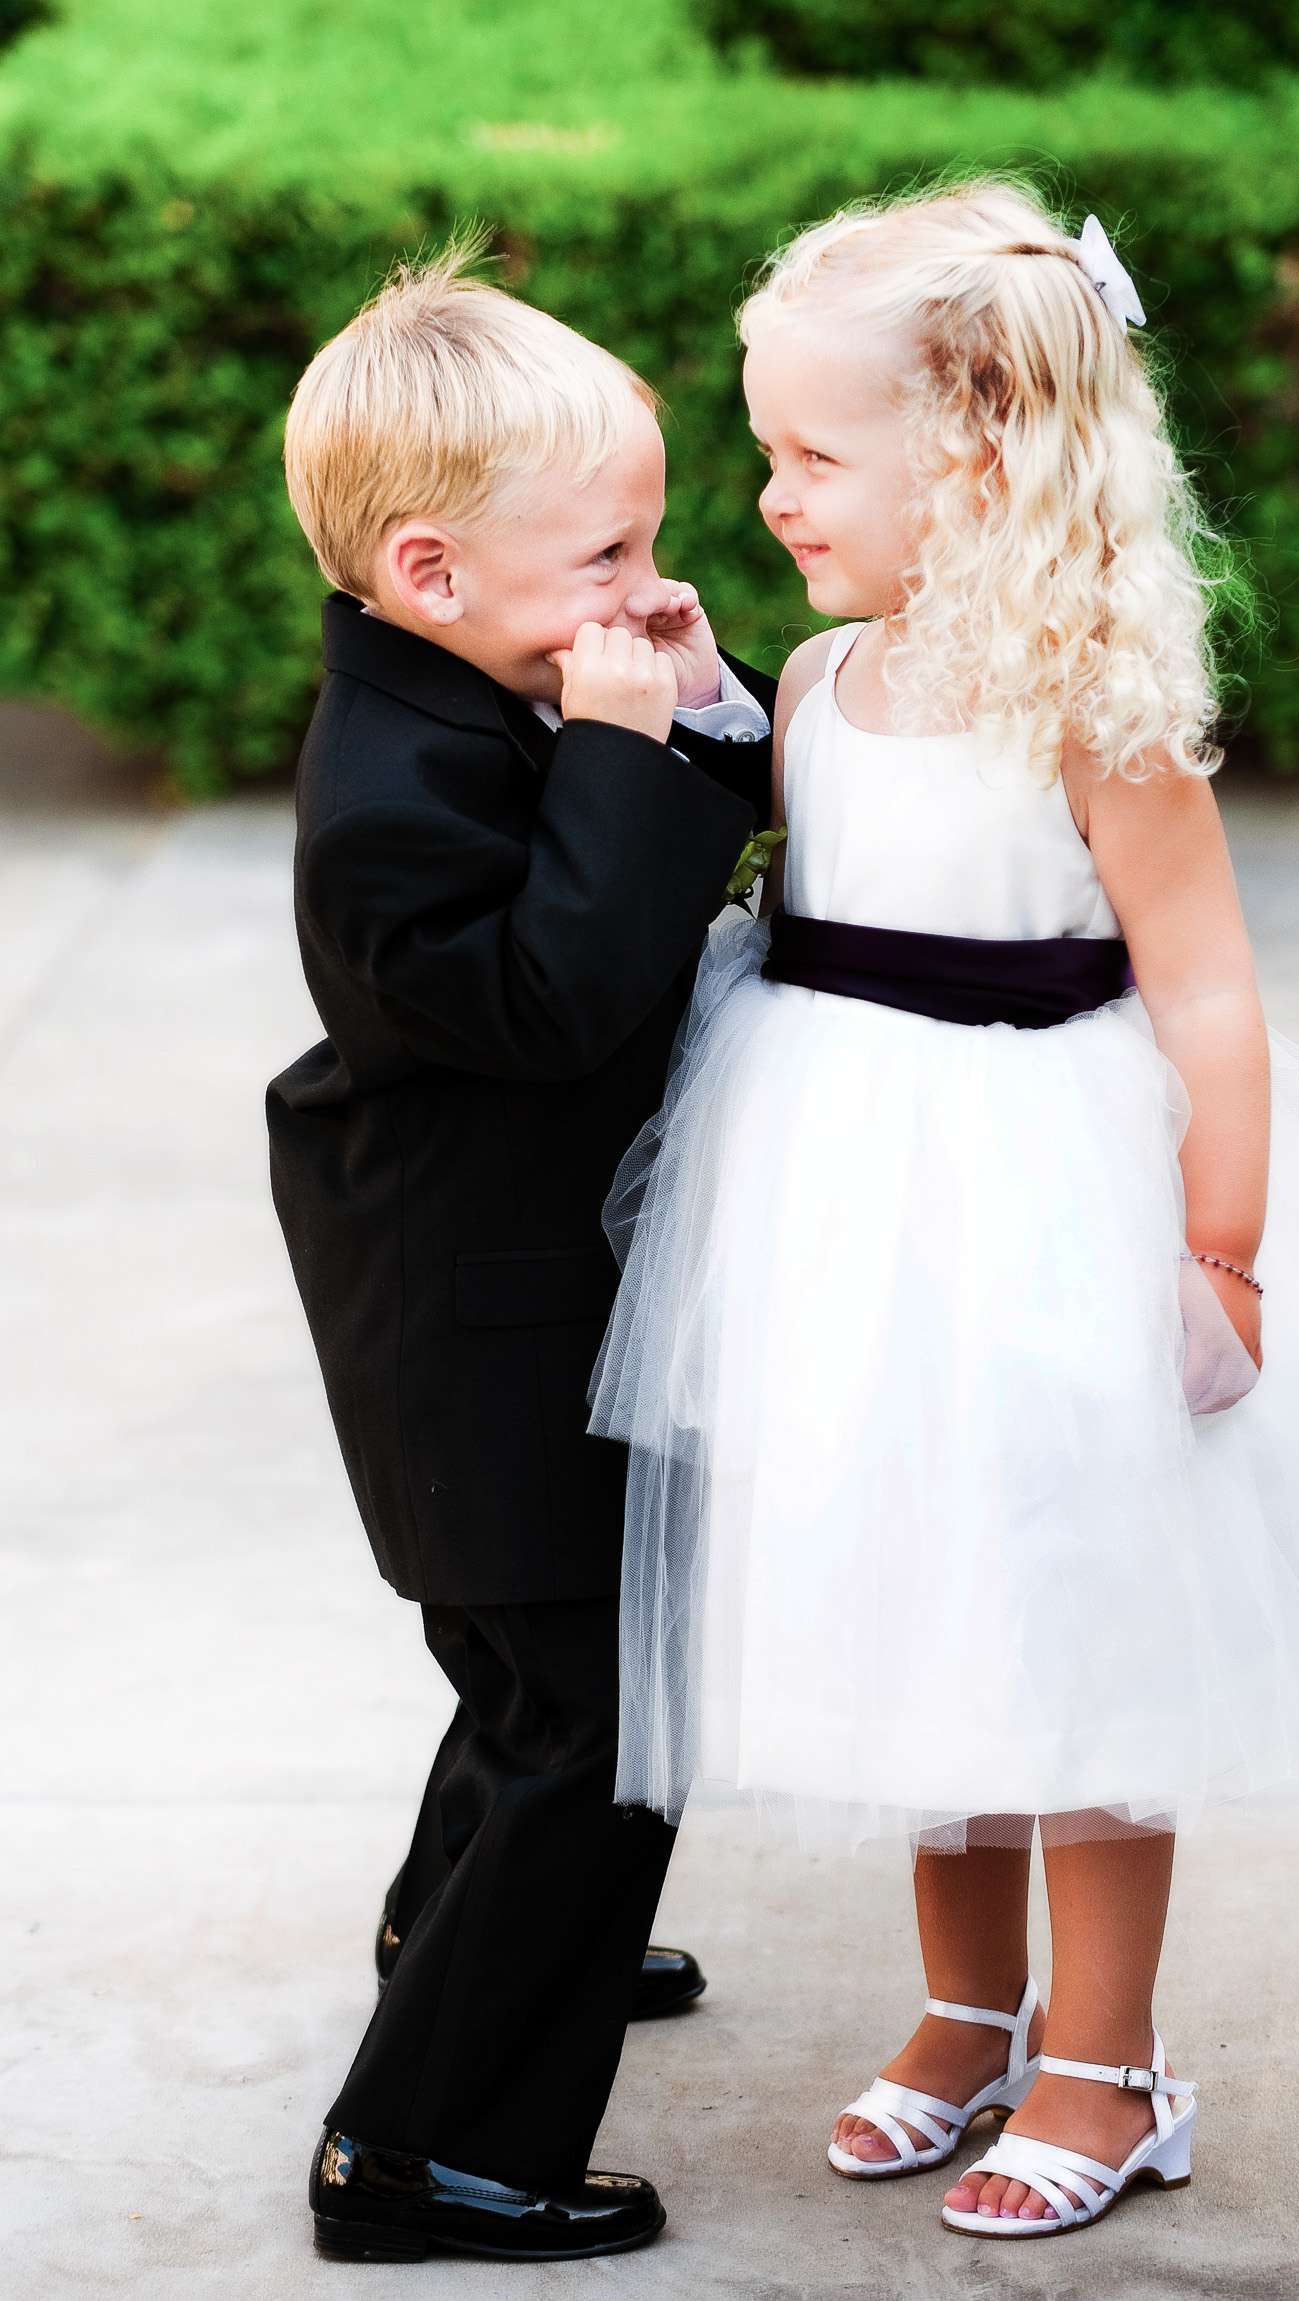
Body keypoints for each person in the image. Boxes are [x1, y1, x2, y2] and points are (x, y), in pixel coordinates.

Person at [586, 179, 1299, 2242]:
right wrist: (688, 687)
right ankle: (960, 2009)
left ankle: (1107, 2053)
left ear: (979, 453)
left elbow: (1205, 987)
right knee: (921, 1609)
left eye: (813, 455)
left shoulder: (1086, 697)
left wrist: (1219, 1243)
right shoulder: (818, 679)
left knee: (1067, 1616)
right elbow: (783, 841)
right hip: (841, 1206)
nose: (768, 493)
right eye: (768, 448)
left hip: (1042, 1203)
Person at [265, 242, 774, 2262]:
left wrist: (685, 706)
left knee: (524, 1681)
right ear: (428, 575)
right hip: (470, 1310)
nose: (643, 591)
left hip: (501, 1276)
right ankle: (428, 2146)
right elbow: (566, 990)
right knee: (596, 1709)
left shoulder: (503, 680)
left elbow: (646, 860)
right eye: (602, 555)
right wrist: (620, 748)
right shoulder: (391, 790)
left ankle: (463, 1933)